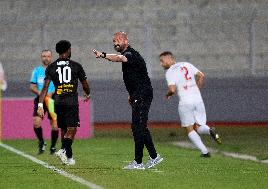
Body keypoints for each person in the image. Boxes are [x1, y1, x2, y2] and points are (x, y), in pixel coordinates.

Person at [93, 31, 163, 170]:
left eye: (118, 40)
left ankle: (138, 162)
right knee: (139, 126)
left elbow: (120, 58)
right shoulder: (129, 54)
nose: (115, 43)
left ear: (126, 40)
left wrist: (103, 55)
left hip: (142, 94)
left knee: (138, 127)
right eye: (114, 41)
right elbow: (135, 76)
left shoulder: (130, 54)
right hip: (138, 94)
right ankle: (154, 157)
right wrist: (132, 94)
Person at [37, 40, 90, 165]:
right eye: (70, 49)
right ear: (67, 50)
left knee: (64, 129)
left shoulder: (51, 67)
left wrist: (40, 105)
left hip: (58, 102)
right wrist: (87, 93)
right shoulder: (76, 66)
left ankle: (69, 157)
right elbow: (85, 84)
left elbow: (45, 88)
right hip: (71, 101)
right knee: (72, 129)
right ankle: (63, 150)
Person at [159, 51, 221, 157]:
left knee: (189, 128)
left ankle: (205, 152)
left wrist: (168, 94)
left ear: (170, 58)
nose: (161, 64)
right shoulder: (187, 64)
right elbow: (201, 76)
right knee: (199, 126)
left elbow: (172, 89)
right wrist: (196, 90)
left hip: (185, 101)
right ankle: (210, 130)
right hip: (198, 99)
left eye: (162, 61)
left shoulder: (170, 71)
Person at [30, 49, 59, 155]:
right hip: (40, 100)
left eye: (48, 56)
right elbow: (32, 86)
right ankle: (41, 142)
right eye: (44, 56)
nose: (46, 58)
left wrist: (51, 93)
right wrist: (41, 93)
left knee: (55, 125)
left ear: (51, 57)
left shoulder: (56, 70)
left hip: (53, 100)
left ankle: (53, 146)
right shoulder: (37, 71)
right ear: (41, 58)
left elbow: (60, 85)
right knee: (36, 122)